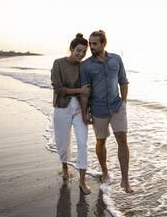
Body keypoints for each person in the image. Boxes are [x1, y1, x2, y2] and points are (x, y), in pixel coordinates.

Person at [79, 30, 134, 193]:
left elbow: (123, 82)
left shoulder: (116, 59)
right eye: (90, 43)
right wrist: (85, 112)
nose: (91, 47)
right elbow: (85, 92)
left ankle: (125, 180)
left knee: (122, 139)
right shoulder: (86, 66)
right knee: (101, 141)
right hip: (98, 109)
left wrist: (123, 103)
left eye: (95, 44)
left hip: (117, 107)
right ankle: (104, 171)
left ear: (104, 44)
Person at [51, 33, 92, 194]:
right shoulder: (59, 63)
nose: (81, 54)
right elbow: (58, 88)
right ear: (72, 48)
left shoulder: (84, 67)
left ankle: (82, 180)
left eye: (84, 52)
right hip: (62, 108)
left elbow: (88, 91)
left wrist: (87, 112)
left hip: (80, 109)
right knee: (63, 143)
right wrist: (79, 90)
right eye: (78, 51)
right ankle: (64, 166)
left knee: (82, 143)